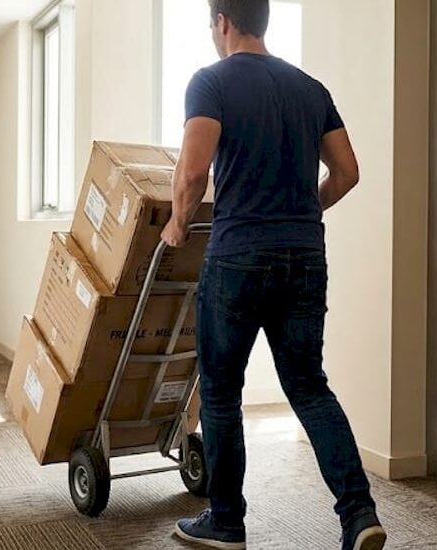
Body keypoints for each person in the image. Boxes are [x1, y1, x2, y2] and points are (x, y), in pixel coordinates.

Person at [160, 2, 384, 549]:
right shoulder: (310, 88)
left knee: (219, 393)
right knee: (309, 387)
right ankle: (359, 515)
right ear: (263, 20)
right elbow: (348, 172)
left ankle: (227, 521)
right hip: (305, 257)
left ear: (221, 22)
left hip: (238, 256)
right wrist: (307, 209)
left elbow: (192, 170)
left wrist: (177, 224)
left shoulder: (210, 82)